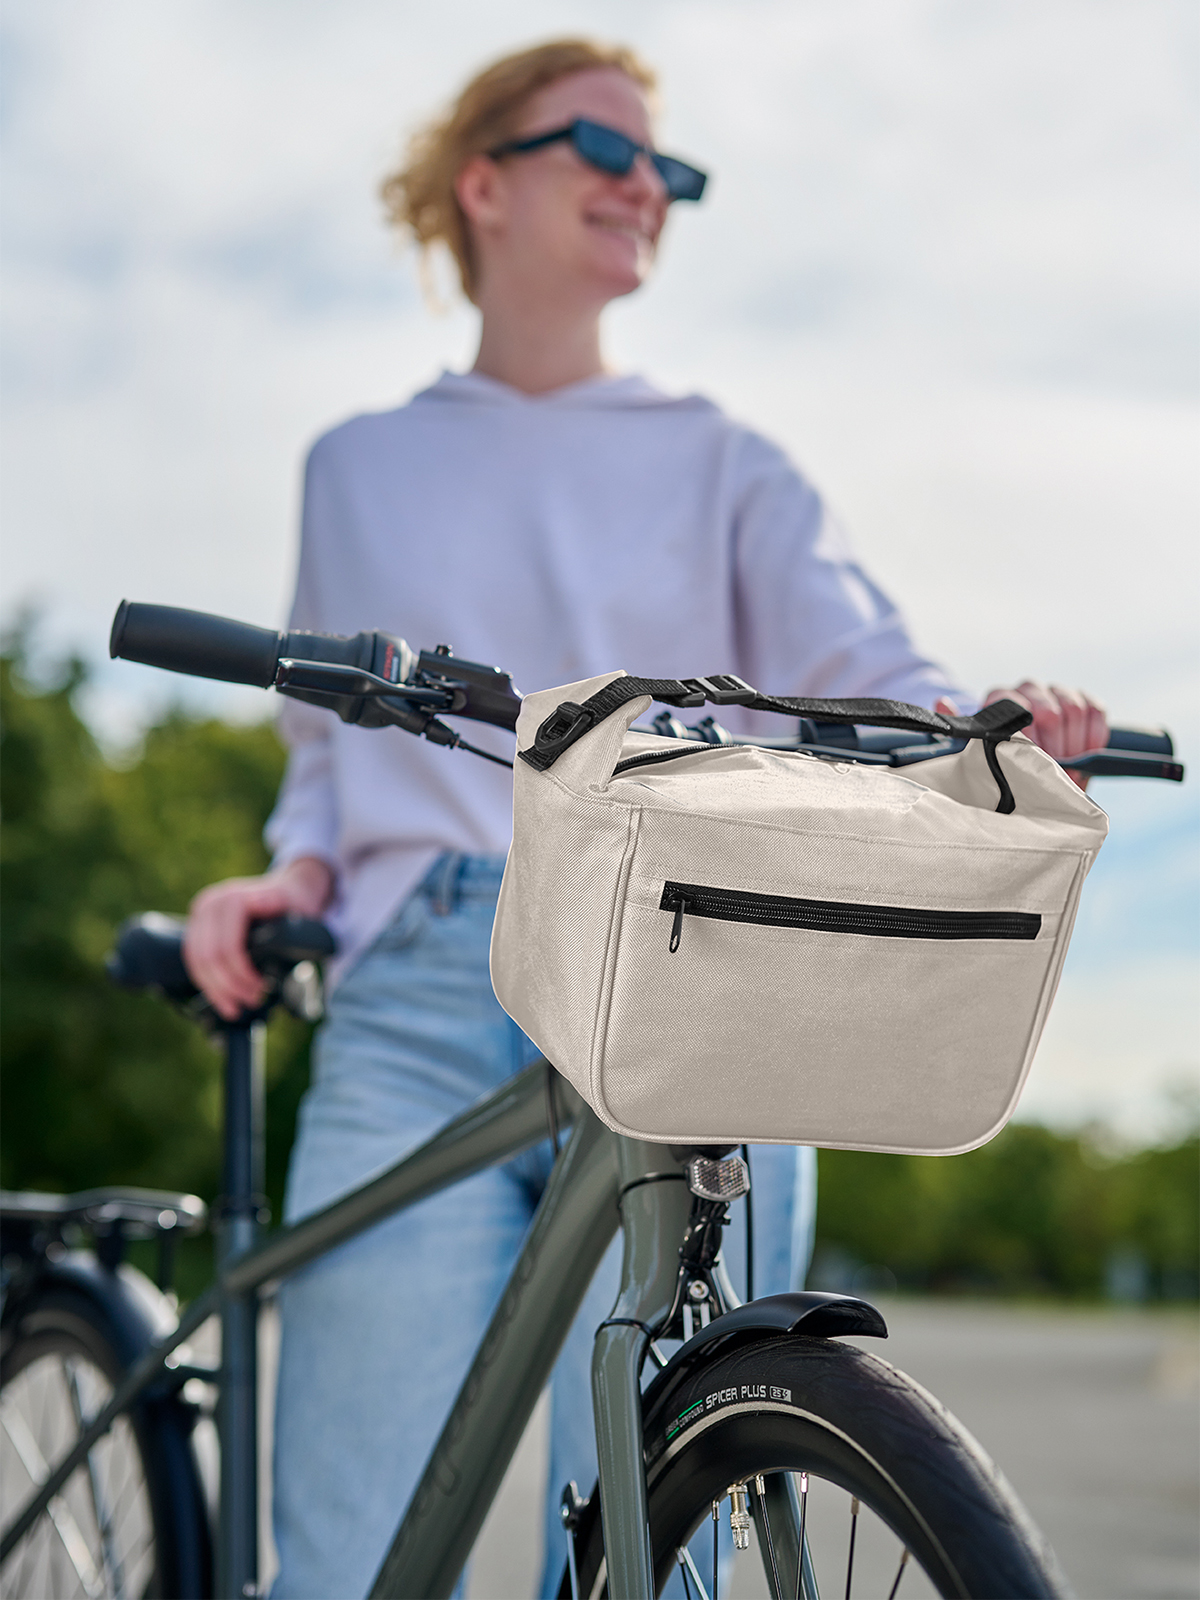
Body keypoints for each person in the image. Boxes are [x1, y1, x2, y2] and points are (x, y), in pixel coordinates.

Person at [183, 38, 1107, 1599]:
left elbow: (876, 676)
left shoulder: (728, 464)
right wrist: (286, 876)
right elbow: (326, 763)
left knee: (658, 1517)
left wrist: (985, 731)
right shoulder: (357, 468)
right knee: (346, 1548)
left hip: (693, 960)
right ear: (485, 182)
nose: (645, 189)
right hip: (420, 981)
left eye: (668, 172)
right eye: (606, 152)